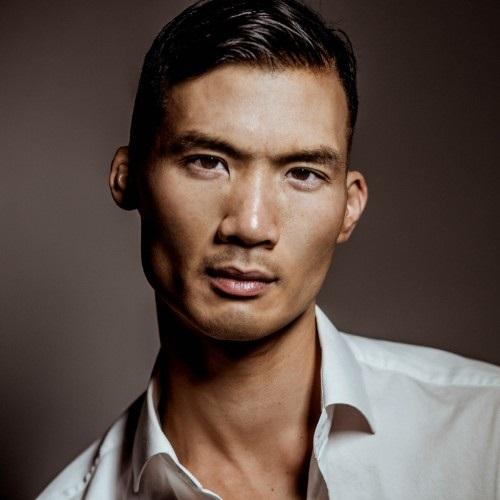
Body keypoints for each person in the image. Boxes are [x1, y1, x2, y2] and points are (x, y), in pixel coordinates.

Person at [38, 0, 500, 498]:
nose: (251, 226)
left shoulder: (487, 432)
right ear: (128, 179)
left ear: (349, 207)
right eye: (207, 162)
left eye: (303, 173)